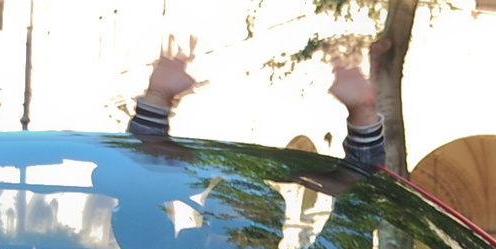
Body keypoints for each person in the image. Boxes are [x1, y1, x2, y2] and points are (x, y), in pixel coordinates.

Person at [127, 35, 389, 170]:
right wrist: (156, 101)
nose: (247, 238)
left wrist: (363, 113)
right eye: (234, 222)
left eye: (263, 225)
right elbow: (138, 195)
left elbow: (357, 199)